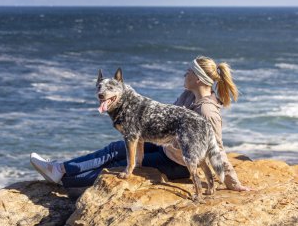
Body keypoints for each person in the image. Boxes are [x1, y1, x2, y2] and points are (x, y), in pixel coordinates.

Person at [30, 56, 251, 192]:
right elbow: (164, 115)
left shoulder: (206, 110)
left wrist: (232, 181)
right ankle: (59, 169)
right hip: (167, 145)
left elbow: (217, 148)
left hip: (177, 163)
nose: (184, 74)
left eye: (189, 72)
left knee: (119, 168)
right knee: (116, 149)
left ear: (200, 79)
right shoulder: (188, 95)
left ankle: (67, 181)